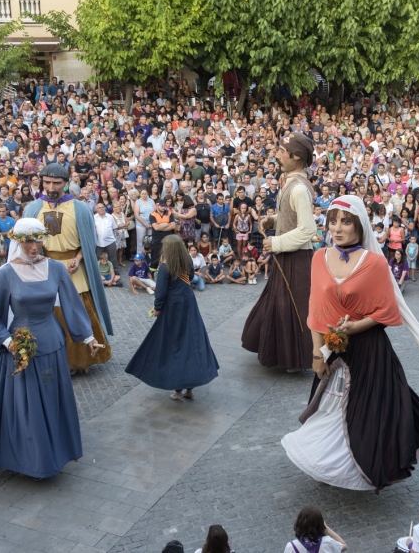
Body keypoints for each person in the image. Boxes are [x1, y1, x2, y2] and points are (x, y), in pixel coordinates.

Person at [281, 195, 419, 491]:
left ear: (360, 226)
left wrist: (355, 326)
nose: (337, 228)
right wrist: (315, 353)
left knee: (365, 413)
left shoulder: (375, 263)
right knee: (329, 409)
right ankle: (327, 463)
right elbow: (315, 308)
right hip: (331, 349)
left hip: (369, 350)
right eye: (333, 221)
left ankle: (359, 467)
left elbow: (386, 311)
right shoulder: (318, 257)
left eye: (345, 222)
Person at [0, 218, 102, 478]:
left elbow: (71, 304)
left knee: (52, 398)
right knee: (27, 405)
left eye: (38, 240)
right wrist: (8, 342)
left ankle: (56, 449)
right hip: (21, 350)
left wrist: (88, 337)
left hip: (53, 345)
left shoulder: (55, 269)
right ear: (17, 241)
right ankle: (31, 458)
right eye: (27, 241)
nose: (34, 246)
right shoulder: (4, 275)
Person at [23, 163, 113, 373]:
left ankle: (81, 360)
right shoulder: (33, 208)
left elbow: (89, 241)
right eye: (47, 182)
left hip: (74, 268)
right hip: (44, 267)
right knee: (50, 315)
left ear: (65, 184)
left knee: (79, 311)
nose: (51, 187)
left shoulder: (80, 208)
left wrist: (79, 258)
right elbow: (27, 241)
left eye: (56, 183)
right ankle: (52, 360)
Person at [242, 133, 318, 371]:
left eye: (283, 153)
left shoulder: (298, 189)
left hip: (296, 258)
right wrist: (272, 221)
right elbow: (291, 218)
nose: (279, 156)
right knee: (280, 305)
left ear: (295, 158)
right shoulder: (292, 183)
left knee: (293, 308)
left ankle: (295, 359)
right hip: (287, 255)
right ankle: (285, 356)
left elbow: (308, 229)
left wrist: (275, 243)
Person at [125, 235, 219, 400]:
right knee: (191, 340)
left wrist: (157, 308)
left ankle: (177, 388)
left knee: (173, 345)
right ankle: (189, 388)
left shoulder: (165, 266)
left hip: (173, 306)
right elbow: (190, 277)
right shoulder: (187, 261)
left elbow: (160, 291)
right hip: (189, 302)